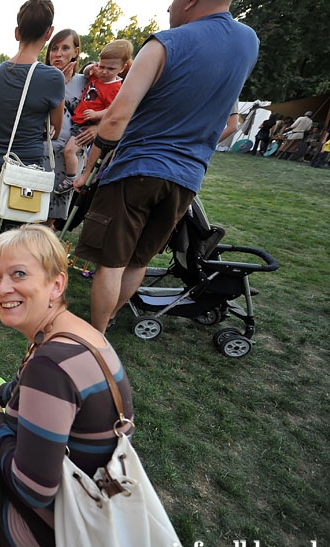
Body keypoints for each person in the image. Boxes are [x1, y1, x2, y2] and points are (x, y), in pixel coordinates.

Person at [73, 0, 259, 333]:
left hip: (136, 168)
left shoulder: (164, 43)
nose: (169, 8)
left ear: (189, 2)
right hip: (187, 178)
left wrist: (93, 159)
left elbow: (116, 117)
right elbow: (229, 124)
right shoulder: (248, 43)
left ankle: (94, 335)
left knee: (112, 262)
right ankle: (110, 319)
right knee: (139, 260)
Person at [0, 224, 134, 547]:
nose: (2, 289)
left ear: (56, 285)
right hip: (94, 497)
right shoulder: (74, 333)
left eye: (18, 274)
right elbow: (24, 391)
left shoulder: (51, 366)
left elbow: (34, 491)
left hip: (56, 527)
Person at [0, 0, 64, 313]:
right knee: (13, 241)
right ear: (48, 34)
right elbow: (56, 131)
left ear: (16, 31)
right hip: (27, 175)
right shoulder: (52, 78)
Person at [57, 39, 133, 194]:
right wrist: (92, 67)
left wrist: (97, 114)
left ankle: (70, 179)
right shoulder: (97, 77)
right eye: (101, 66)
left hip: (87, 125)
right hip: (79, 121)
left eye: (110, 68)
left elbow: (113, 110)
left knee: (69, 151)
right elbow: (86, 73)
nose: (104, 71)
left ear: (122, 67)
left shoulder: (116, 88)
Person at [44, 29, 91, 226]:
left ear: (76, 51)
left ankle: (44, 255)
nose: (58, 53)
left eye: (65, 48)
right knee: (30, 211)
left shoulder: (86, 82)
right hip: (42, 152)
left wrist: (96, 129)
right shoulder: (41, 77)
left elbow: (108, 106)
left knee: (51, 219)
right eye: (54, 48)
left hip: (69, 157)